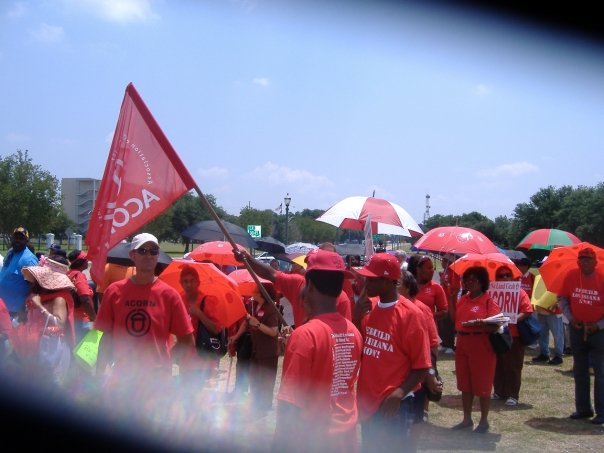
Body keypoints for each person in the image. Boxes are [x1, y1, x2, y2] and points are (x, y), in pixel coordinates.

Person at [94, 233, 195, 416]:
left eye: (153, 251)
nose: (148, 255)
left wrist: (167, 361)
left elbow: (187, 339)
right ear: (132, 255)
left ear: (158, 255)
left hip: (157, 381)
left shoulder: (169, 295)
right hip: (123, 377)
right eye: (143, 251)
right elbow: (101, 336)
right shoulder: (114, 291)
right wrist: (99, 374)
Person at [272, 249, 363, 452]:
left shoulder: (305, 335)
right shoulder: (354, 332)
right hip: (345, 439)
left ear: (309, 285)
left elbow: (290, 405)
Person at [353, 253, 431, 452]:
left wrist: (399, 393)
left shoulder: (411, 315)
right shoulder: (369, 309)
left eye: (371, 279)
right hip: (368, 403)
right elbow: (360, 350)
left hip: (394, 405)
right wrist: (355, 318)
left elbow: (421, 365)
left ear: (388, 281)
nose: (365, 282)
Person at [233, 244, 352, 328]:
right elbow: (271, 274)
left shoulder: (342, 299)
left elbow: (344, 335)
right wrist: (248, 259)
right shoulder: (298, 283)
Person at [452, 266, 502, 433]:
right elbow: (456, 320)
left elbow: (496, 325)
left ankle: (484, 421)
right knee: (465, 384)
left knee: (483, 385)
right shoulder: (462, 299)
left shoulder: (488, 301)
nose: (470, 283)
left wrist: (482, 323)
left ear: (482, 283)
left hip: (481, 345)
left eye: (474, 280)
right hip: (463, 344)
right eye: (467, 280)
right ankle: (466, 419)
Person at [557, 247, 604, 425]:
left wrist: (598, 325)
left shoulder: (602, 277)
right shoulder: (570, 276)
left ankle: (602, 412)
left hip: (599, 332)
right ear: (578, 261)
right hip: (577, 329)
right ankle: (583, 409)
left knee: (600, 372)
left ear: (595, 262)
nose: (584, 261)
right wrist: (571, 318)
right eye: (582, 258)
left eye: (588, 259)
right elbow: (562, 298)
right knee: (580, 370)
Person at [20, 258, 76, 388]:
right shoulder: (42, 295)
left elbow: (60, 323)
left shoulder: (59, 298)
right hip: (37, 346)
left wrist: (39, 306)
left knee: (50, 385)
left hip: (51, 349)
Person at [399, 270, 442, 426]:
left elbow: (432, 343)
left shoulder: (421, 309)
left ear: (408, 287)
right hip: (398, 375)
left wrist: (430, 372)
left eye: (397, 284)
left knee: (414, 420)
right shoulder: (391, 308)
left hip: (416, 374)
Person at [492, 265, 534, 406]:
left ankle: (513, 395)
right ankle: (499, 391)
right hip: (496, 333)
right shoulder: (492, 292)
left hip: (514, 334)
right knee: (497, 364)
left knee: (513, 366)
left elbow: (527, 310)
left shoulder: (520, 292)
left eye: (507, 275)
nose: (504, 278)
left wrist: (513, 318)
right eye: (501, 275)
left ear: (512, 277)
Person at [178, 263, 224, 385]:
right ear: (181, 283)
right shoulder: (178, 299)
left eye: (192, 281)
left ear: (198, 282)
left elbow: (216, 329)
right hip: (185, 357)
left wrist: (199, 314)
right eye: (185, 281)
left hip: (202, 358)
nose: (188, 284)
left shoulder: (207, 300)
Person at [247, 283, 280, 413]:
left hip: (268, 352)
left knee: (266, 381)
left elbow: (274, 332)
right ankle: (256, 404)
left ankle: (264, 407)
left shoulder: (271, 308)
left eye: (255, 289)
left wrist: (258, 324)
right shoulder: (254, 306)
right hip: (256, 349)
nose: (252, 291)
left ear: (261, 293)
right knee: (255, 378)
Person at [0, 227, 39, 321]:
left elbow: (35, 286)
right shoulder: (11, 254)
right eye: (15, 238)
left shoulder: (29, 259)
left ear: (26, 240)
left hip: (15, 310)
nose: (17, 240)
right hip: (3, 306)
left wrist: (25, 306)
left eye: (21, 238)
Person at [67, 250, 96, 344]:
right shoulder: (79, 276)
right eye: (86, 259)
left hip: (72, 319)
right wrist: (94, 318)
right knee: (84, 355)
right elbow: (85, 299)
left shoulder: (69, 274)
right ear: (81, 262)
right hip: (82, 321)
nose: (88, 261)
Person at [438, 253, 460, 353]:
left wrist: (446, 283)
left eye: (443, 260)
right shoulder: (444, 272)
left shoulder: (453, 273)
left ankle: (450, 345)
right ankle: (444, 343)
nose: (442, 262)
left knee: (448, 324)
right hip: (442, 301)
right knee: (441, 323)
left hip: (450, 302)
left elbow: (455, 288)